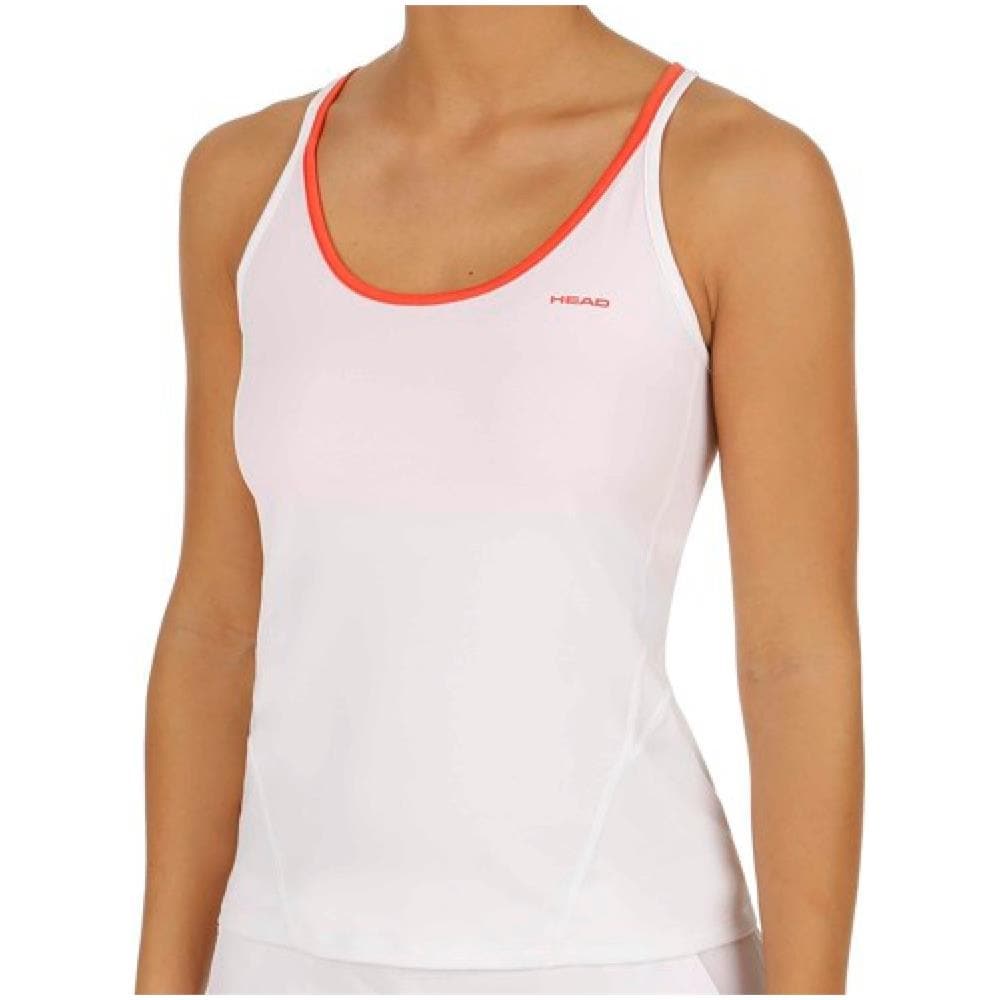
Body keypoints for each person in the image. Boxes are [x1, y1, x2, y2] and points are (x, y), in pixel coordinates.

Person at [135, 6, 863, 994]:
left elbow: (794, 655)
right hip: (279, 954)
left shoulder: (738, 178)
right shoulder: (243, 178)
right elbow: (216, 626)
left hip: (620, 956)